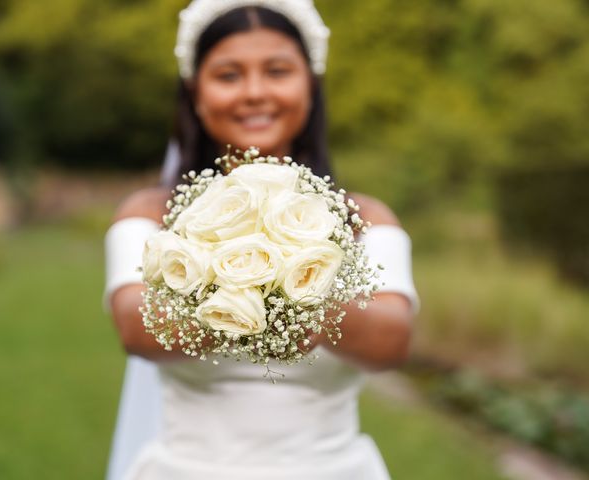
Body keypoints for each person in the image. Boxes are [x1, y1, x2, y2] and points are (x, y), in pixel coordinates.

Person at [104, 1, 419, 479]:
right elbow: (137, 327)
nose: (254, 93)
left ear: (310, 86)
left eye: (277, 71)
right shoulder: (149, 213)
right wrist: (246, 273)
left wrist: (298, 281)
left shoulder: (365, 219)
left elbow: (393, 341)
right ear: (195, 93)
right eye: (229, 75)